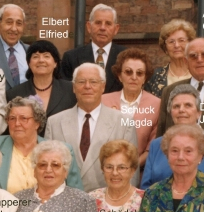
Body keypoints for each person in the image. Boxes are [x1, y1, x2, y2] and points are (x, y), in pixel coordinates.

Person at [45, 63, 138, 192]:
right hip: (64, 199)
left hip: (109, 199)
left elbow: (132, 170)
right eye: (81, 82)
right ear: (74, 87)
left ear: (103, 86)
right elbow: (46, 167)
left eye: (93, 82)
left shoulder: (124, 122)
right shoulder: (54, 122)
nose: (87, 86)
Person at [141, 85, 204, 189]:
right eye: (176, 106)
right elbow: (145, 189)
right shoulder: (156, 145)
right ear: (171, 112)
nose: (181, 110)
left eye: (188, 105)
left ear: (199, 113)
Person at [0, 97, 82, 192]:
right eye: (12, 118)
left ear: (37, 123)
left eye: (23, 118)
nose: (17, 123)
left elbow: (76, 193)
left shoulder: (62, 151)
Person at [101, 48, 161, 168]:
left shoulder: (156, 104)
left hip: (138, 170)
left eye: (139, 73)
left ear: (145, 78)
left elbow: (152, 146)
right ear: (120, 76)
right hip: (105, 170)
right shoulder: (103, 101)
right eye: (128, 72)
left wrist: (131, 166)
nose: (134, 77)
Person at [7, 40, 77, 133]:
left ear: (55, 63)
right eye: (35, 57)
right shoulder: (15, 93)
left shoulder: (71, 89)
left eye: (46, 56)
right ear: (29, 63)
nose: (41, 60)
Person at [61, 4, 126, 92]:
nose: (102, 28)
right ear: (89, 27)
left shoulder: (126, 57)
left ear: (116, 29)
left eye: (108, 23)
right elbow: (66, 92)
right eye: (98, 23)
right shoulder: (71, 57)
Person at [145, 19, 195, 97]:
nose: (176, 45)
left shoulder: (199, 74)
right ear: (165, 48)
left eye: (181, 40)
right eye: (171, 41)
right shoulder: (154, 77)